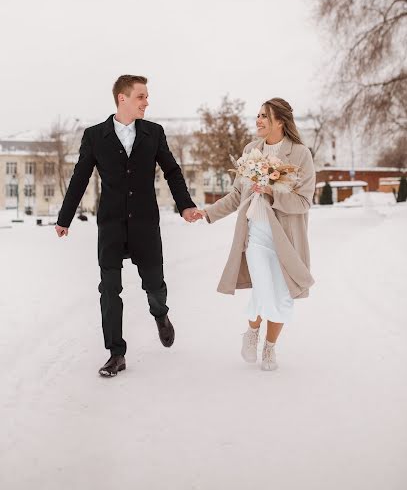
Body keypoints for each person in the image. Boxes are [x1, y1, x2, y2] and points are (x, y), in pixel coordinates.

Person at [55, 75, 201, 377]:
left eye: (146, 97)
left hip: (145, 223)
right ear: (122, 98)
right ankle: (116, 354)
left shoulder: (154, 133)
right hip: (110, 224)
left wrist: (185, 204)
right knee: (109, 289)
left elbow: (172, 171)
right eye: (141, 96)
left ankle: (160, 314)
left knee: (154, 282)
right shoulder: (95, 136)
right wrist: (64, 218)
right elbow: (80, 177)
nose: (147, 102)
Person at [196, 98, 315, 371]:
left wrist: (273, 193)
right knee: (263, 287)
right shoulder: (251, 151)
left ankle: (270, 347)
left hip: (287, 239)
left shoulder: (299, 154)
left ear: (280, 122)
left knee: (283, 296)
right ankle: (252, 332)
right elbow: (239, 194)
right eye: (258, 115)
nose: (258, 120)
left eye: (265, 116)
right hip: (256, 235)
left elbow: (304, 202)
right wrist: (209, 212)